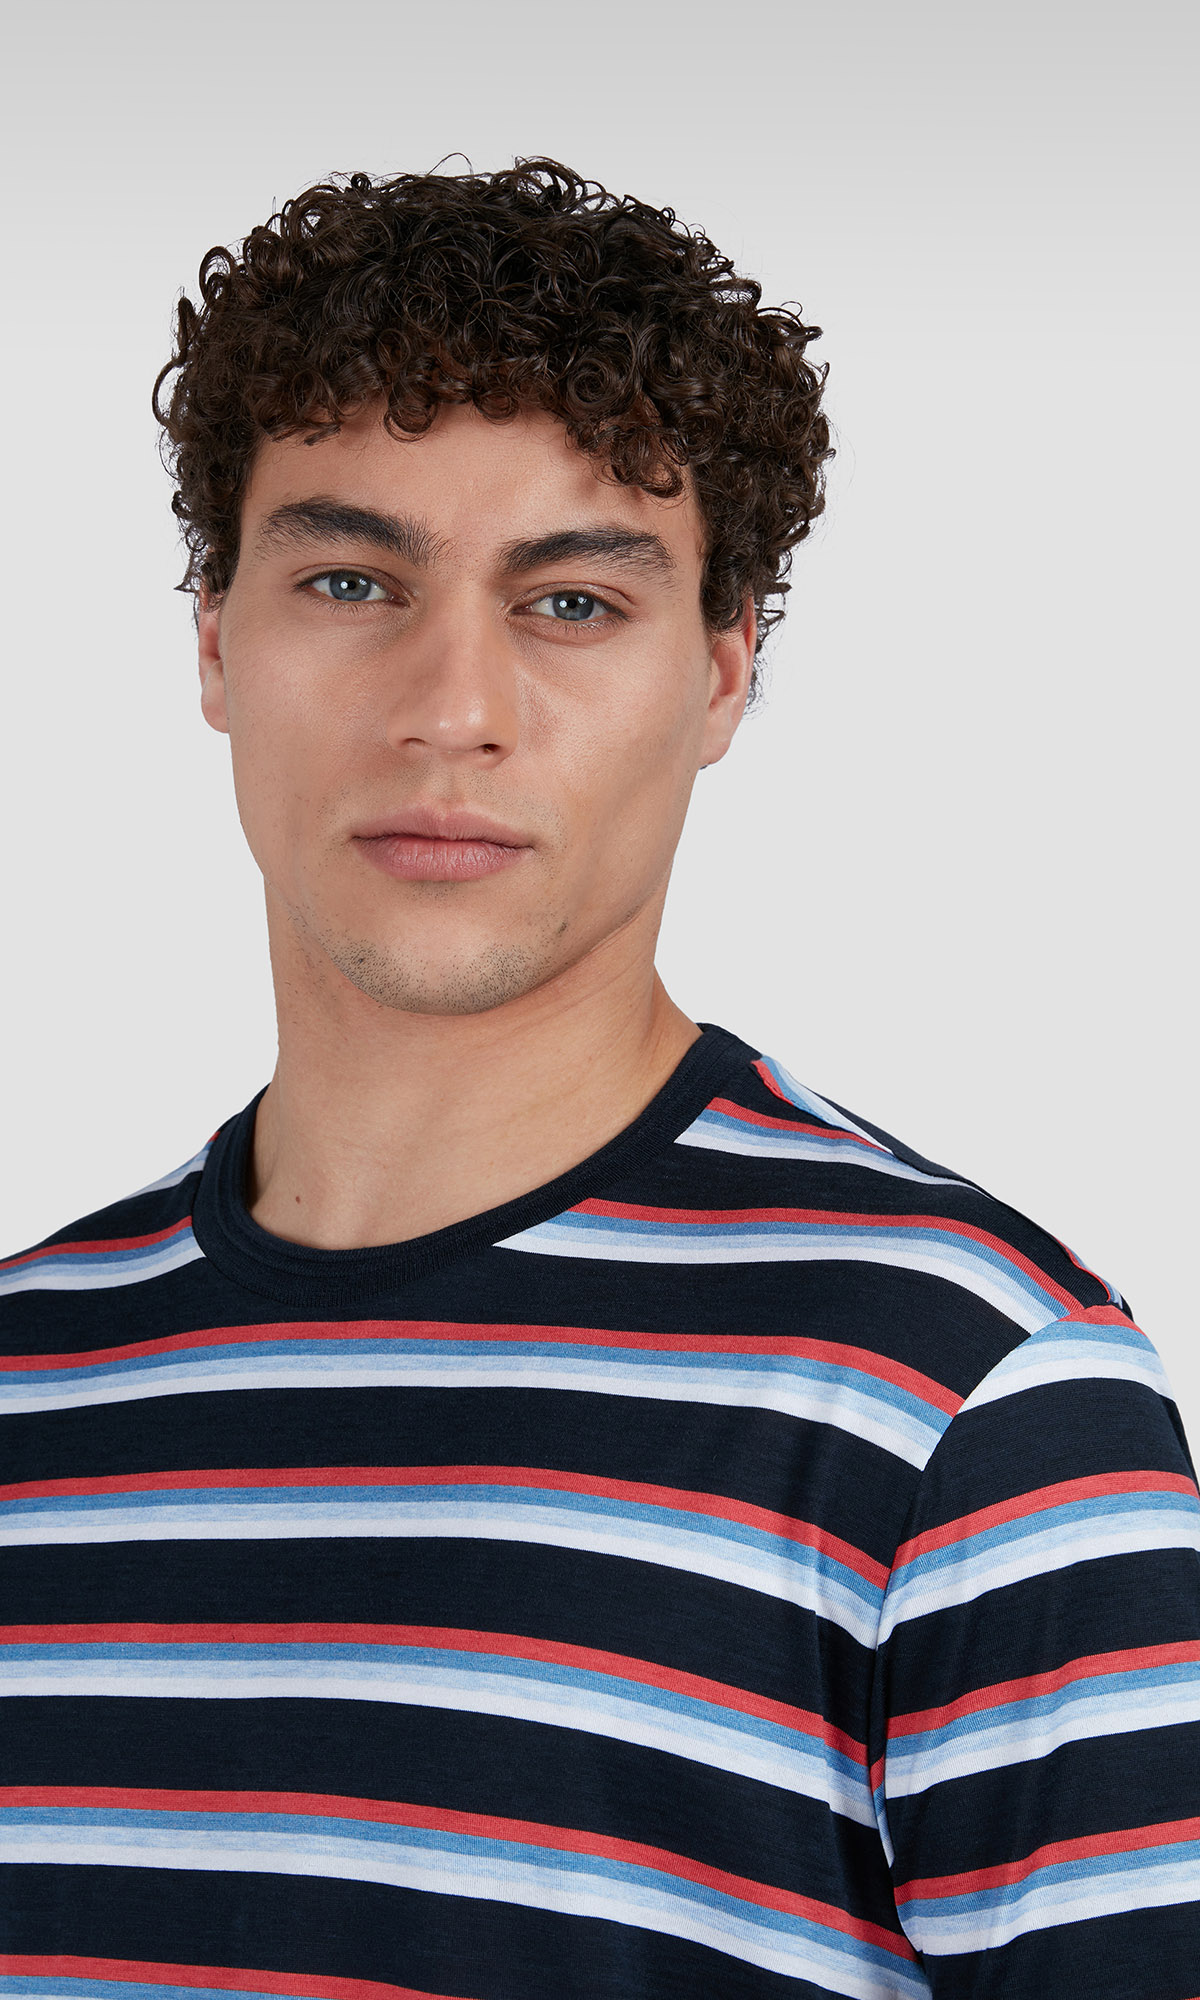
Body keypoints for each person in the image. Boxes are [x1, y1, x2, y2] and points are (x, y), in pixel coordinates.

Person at [1, 159, 1197, 2000]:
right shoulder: (28, 1383)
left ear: (720, 679)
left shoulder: (965, 1401)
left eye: (569, 603)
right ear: (218, 643)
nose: (452, 706)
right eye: (349, 579)